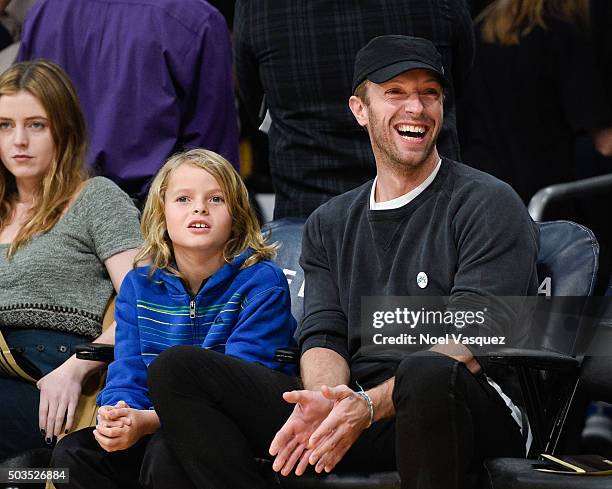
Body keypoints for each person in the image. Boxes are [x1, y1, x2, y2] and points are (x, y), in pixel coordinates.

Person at [146, 35, 539, 489]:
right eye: (395, 92)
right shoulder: (329, 222)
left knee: (426, 371)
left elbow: (474, 339)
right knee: (178, 371)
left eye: (429, 93)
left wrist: (368, 405)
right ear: (359, 109)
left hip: (466, 409)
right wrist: (325, 402)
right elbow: (324, 334)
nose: (416, 107)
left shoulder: (487, 202)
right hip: (361, 411)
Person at [51, 148, 297, 488]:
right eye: (183, 199)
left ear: (236, 217)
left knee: (165, 452)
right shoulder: (139, 286)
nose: (200, 208)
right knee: (73, 454)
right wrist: (118, 415)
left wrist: (148, 422)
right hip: (152, 423)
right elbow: (129, 368)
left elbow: (240, 383)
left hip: (236, 431)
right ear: (160, 215)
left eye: (215, 199)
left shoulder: (261, 281)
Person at [0, 60, 141, 460]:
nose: (19, 140)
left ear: (64, 129)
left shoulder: (95, 198)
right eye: (5, 125)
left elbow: (146, 303)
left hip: (56, 385)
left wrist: (79, 365)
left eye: (36, 125)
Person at [234, 0, 474, 219]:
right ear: (356, 107)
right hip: (428, 205)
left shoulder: (261, 6)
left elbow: (253, 97)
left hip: (309, 204)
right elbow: (457, 81)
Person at [17, 0, 240, 204]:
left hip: (53, 211)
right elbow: (212, 160)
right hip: (152, 221)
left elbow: (17, 115)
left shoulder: (44, 12)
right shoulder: (197, 19)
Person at [457, 0, 612, 203]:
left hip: (479, 192)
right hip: (543, 200)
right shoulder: (559, 34)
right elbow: (606, 143)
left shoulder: (477, 31)